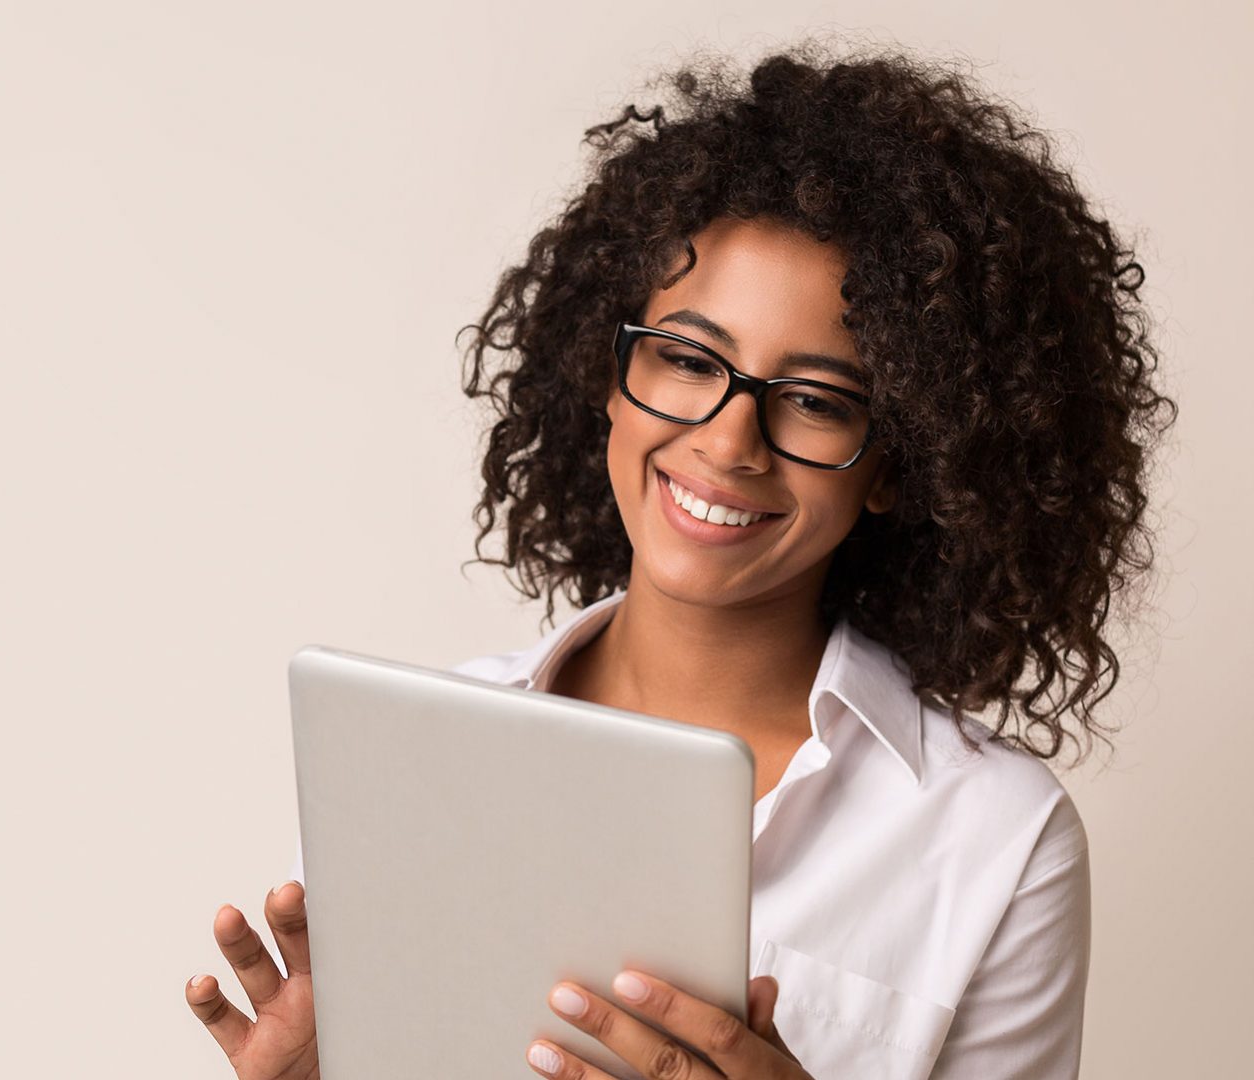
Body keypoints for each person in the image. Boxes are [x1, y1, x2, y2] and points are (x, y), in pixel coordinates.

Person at [183, 37, 1173, 1080]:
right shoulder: (399, 764)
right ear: (605, 378)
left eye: (817, 401)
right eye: (687, 360)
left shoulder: (996, 842)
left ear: (898, 462)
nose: (728, 442)